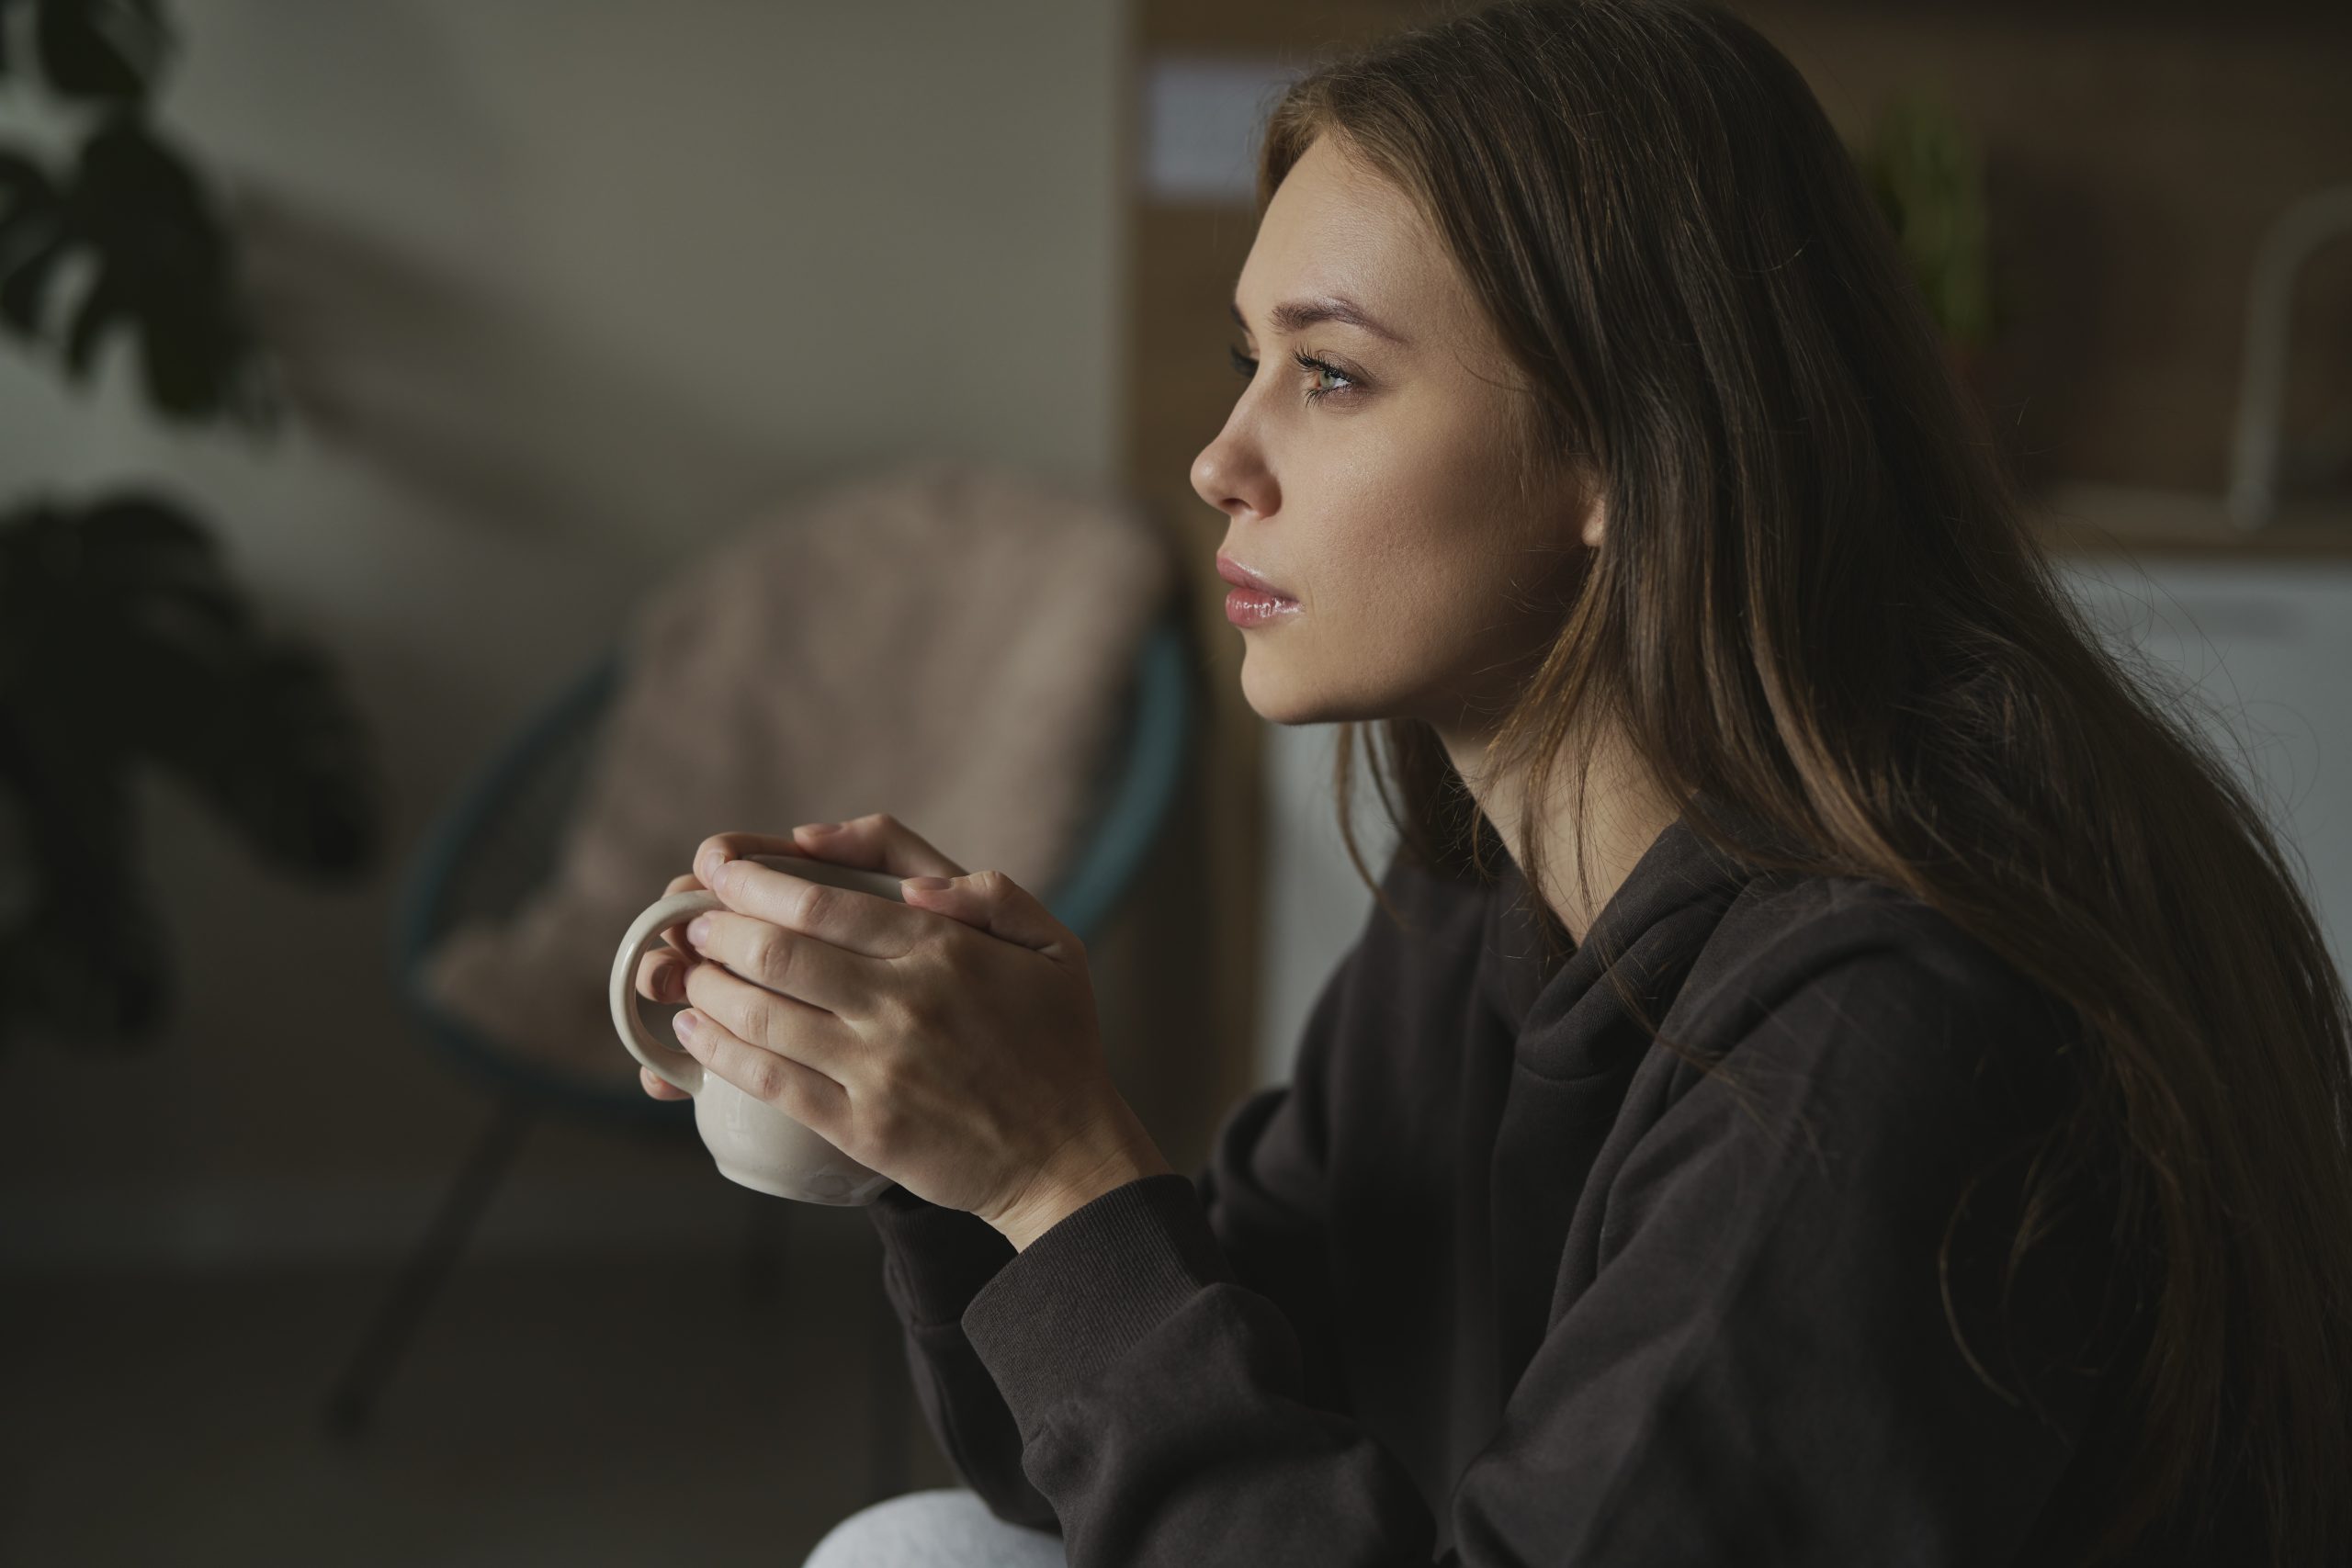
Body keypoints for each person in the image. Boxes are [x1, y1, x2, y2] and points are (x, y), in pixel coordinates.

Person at [638, 1, 2352, 1562]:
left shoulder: (1893, 1038)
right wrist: (927, 1126)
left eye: (1329, 374)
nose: (1222, 459)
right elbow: (1126, 1473)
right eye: (1251, 360)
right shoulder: (1487, 904)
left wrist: (1049, 1175)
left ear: (1623, 446)